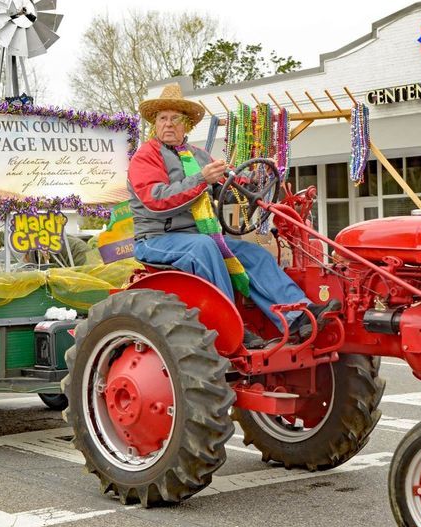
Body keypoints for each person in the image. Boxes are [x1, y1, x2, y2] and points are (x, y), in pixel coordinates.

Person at [127, 84, 339, 349]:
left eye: (175, 119)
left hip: (195, 237)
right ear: (155, 124)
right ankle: (233, 328)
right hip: (157, 238)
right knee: (205, 248)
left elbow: (228, 186)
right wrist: (201, 179)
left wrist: (249, 184)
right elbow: (157, 200)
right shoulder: (145, 157)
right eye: (163, 118)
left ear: (187, 125)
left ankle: (298, 317)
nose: (168, 124)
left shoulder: (199, 155)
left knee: (254, 254)